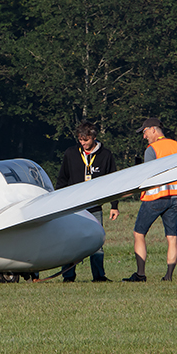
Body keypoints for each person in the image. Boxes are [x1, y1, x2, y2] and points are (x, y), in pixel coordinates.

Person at [124, 118, 177, 282]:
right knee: (172, 237)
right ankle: (168, 276)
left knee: (139, 233)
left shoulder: (151, 149)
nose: (144, 137)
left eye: (144, 132)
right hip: (175, 199)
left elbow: (148, 177)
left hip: (154, 198)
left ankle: (141, 274)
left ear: (153, 129)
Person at [54, 121, 120, 282]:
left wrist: (114, 206)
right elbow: (62, 179)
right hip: (73, 207)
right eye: (80, 140)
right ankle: (68, 276)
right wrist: (56, 202)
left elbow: (115, 182)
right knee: (70, 240)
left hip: (95, 207)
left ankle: (99, 276)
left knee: (97, 242)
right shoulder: (71, 153)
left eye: (86, 140)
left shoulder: (106, 155)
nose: (83, 143)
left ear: (94, 137)